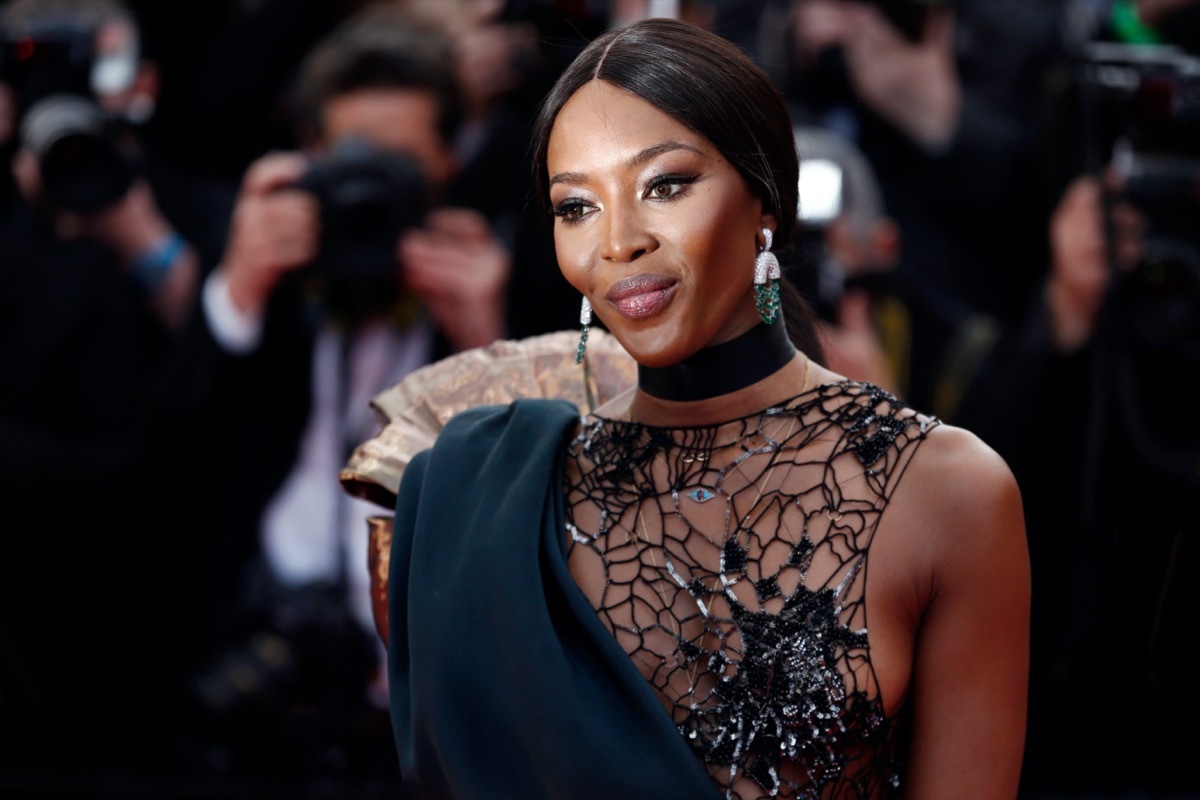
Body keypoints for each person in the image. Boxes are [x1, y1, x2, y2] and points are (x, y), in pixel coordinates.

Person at [374, 17, 1030, 799]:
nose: (618, 242)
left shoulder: (947, 488)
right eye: (576, 206)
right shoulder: (481, 491)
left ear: (766, 201)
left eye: (666, 185)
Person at [163, 4, 510, 784]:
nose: (367, 193)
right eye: (349, 161)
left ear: (448, 164)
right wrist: (236, 295)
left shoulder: (497, 288)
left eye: (397, 167)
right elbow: (164, 479)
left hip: (426, 728)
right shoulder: (271, 287)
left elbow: (544, 531)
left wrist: (491, 353)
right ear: (306, 157)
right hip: (260, 695)